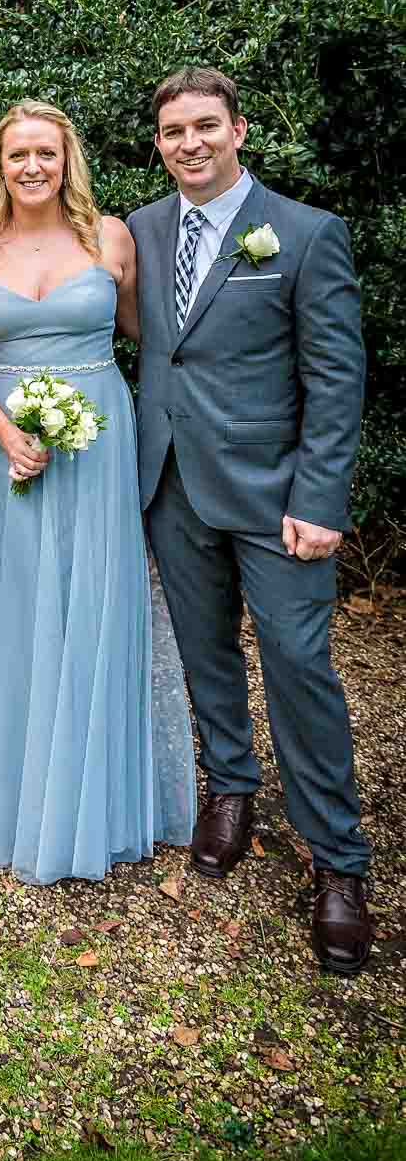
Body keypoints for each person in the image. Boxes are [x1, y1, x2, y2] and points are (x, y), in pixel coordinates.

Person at [130, 66, 370, 973]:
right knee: (204, 653)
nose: (189, 143)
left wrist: (319, 496)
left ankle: (339, 862)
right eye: (173, 132)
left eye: (204, 127)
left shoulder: (307, 235)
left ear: (238, 130)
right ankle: (230, 788)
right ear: (159, 144)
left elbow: (337, 378)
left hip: (278, 499)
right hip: (174, 484)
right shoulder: (144, 232)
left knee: (300, 664)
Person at [0, 100, 196, 884]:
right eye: (18, 154)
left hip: (99, 444)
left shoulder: (111, 237)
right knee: (19, 604)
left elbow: (144, 337)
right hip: (10, 453)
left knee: (93, 602)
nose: (33, 167)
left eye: (46, 155)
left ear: (67, 162)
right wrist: (3, 433)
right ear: (0, 162)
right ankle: (15, 790)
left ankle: (95, 796)